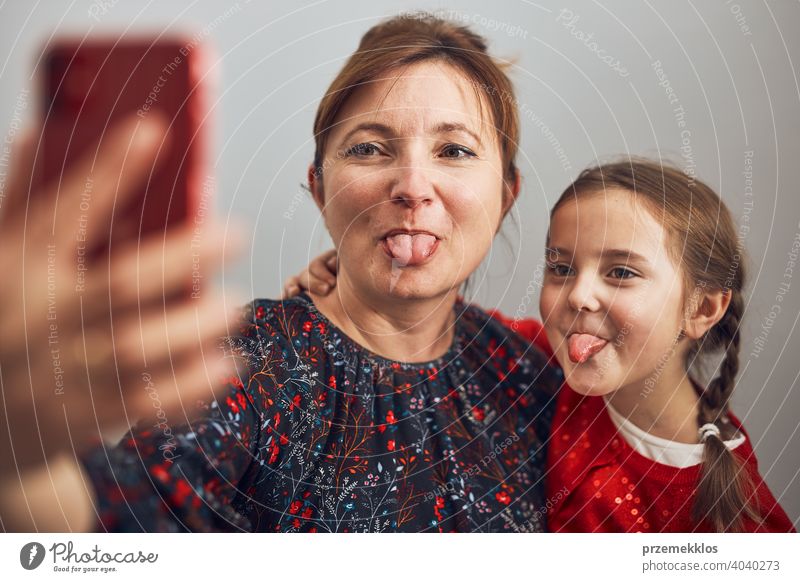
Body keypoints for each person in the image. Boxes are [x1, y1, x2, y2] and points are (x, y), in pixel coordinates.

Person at [0, 13, 562, 532]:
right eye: (368, 148)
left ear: (507, 194)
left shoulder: (534, 373)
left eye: (455, 151)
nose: (413, 186)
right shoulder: (249, 361)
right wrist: (18, 452)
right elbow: (115, 515)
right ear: (319, 189)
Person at [291, 159, 794, 533]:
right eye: (561, 268)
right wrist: (352, 273)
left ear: (703, 309)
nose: (578, 294)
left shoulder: (736, 520)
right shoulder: (531, 361)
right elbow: (436, 317)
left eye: (621, 272)